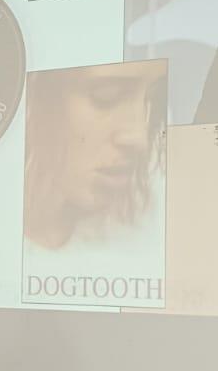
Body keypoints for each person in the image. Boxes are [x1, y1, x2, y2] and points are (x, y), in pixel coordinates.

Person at [23, 61, 166, 253]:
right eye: (107, 95)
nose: (140, 138)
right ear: (34, 98)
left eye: (152, 101)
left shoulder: (146, 222)